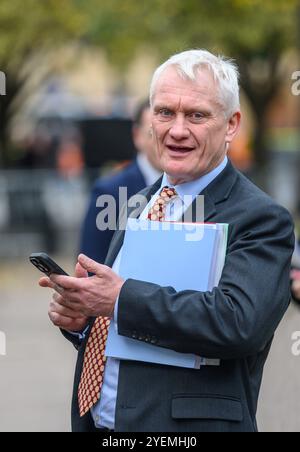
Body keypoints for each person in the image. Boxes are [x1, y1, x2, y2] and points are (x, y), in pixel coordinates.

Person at [39, 50, 294, 432]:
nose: (176, 130)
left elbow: (238, 323)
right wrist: (86, 320)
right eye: (164, 113)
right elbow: (133, 326)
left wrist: (120, 299)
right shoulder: (142, 202)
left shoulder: (259, 217)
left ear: (231, 124)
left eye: (196, 115)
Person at [80, 100, 162, 264]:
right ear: (136, 136)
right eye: (153, 134)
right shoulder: (110, 192)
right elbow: (91, 263)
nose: (164, 141)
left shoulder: (194, 186)